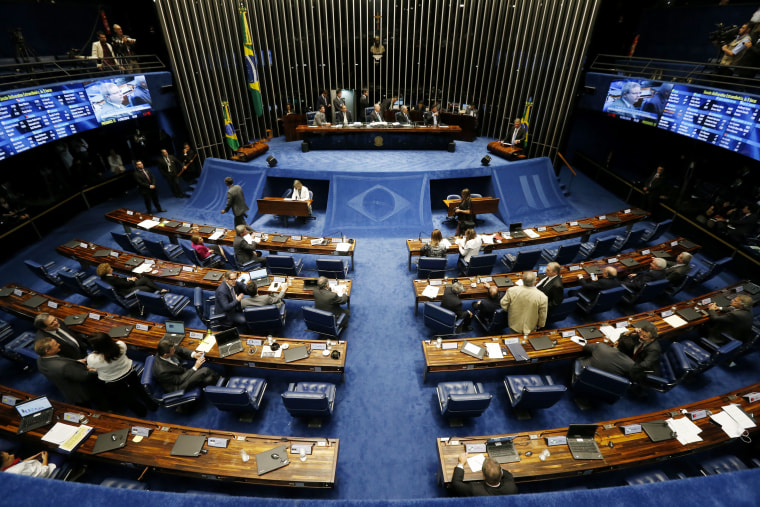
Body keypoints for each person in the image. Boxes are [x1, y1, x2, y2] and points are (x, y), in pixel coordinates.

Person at [86, 332, 157, 416]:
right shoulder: (121, 345)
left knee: (126, 398)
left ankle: (141, 412)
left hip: (113, 381)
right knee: (139, 389)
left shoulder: (92, 359)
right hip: (129, 372)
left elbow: (91, 367)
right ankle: (152, 406)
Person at [34, 336, 100, 406]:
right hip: (82, 392)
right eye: (55, 344)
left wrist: (75, 363)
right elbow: (84, 376)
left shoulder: (40, 360)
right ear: (47, 351)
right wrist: (93, 370)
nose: (59, 344)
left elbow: (61, 369)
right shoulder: (64, 366)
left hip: (67, 390)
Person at [153, 339, 219, 393]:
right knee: (205, 370)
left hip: (182, 373)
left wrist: (194, 354)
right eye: (173, 350)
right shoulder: (162, 371)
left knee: (209, 379)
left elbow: (181, 350)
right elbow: (179, 380)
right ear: (165, 354)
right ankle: (222, 380)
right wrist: (195, 367)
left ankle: (218, 385)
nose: (175, 350)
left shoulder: (166, 349)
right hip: (178, 386)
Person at [451, 453, 517, 496]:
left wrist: (461, 463)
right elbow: (507, 474)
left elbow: (456, 484)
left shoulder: (475, 490)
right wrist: (494, 468)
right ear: (501, 475)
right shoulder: (511, 487)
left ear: (483, 476)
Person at [96, 262, 165, 297]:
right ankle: (160, 291)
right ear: (108, 271)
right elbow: (127, 284)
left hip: (124, 286)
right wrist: (132, 280)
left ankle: (160, 289)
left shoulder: (104, 276)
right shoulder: (112, 279)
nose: (112, 269)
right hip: (127, 290)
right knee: (148, 287)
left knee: (145, 280)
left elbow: (119, 279)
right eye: (110, 268)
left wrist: (128, 278)